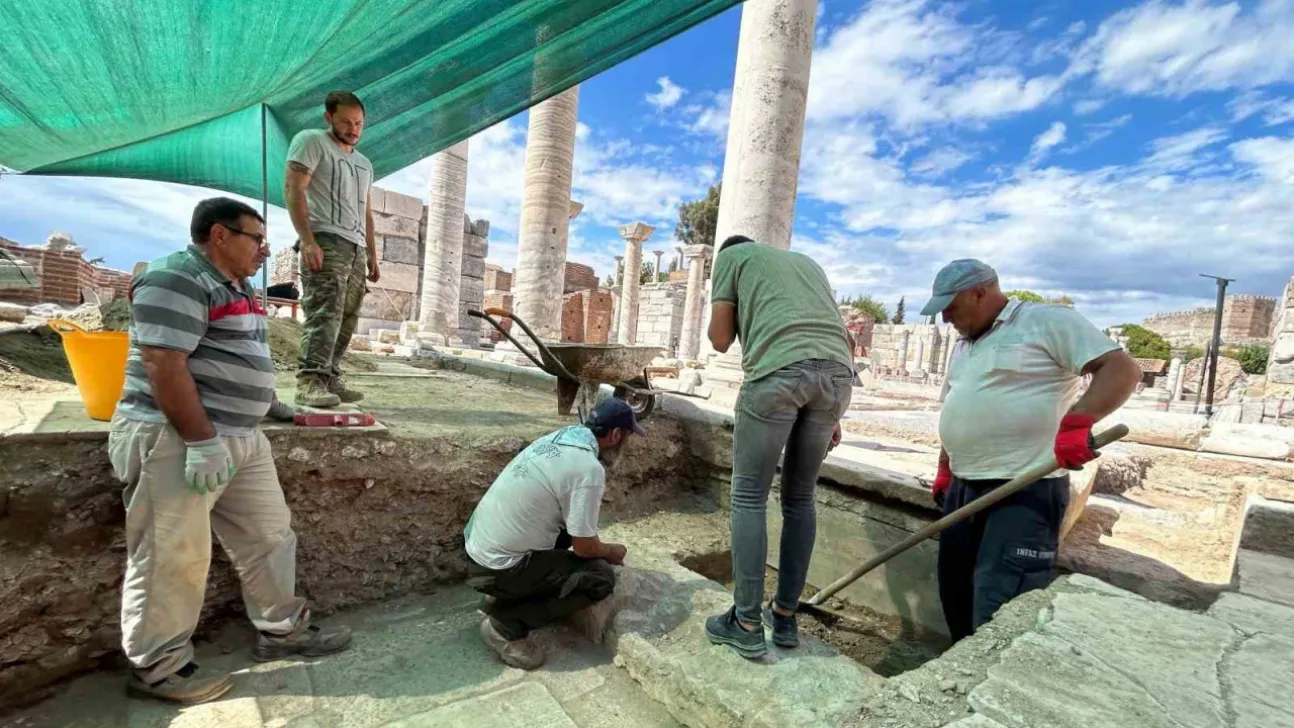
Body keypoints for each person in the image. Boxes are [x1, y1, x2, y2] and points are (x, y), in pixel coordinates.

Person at [109, 198, 352, 704]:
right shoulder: (177, 278)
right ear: (220, 235)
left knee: (269, 534)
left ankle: (282, 629)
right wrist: (200, 441)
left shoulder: (239, 286)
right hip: (177, 438)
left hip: (241, 437)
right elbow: (163, 365)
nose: (265, 250)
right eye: (256, 239)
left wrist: (273, 407)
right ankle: (160, 667)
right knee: (171, 553)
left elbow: (238, 357)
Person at [922, 259, 1140, 641]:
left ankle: (989, 686)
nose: (945, 318)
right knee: (955, 590)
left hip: (1022, 489)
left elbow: (1121, 370)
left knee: (1000, 600)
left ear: (980, 293)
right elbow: (956, 406)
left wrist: (1078, 422)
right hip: (963, 487)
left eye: (951, 307)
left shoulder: (1047, 322)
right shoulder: (963, 345)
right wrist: (945, 466)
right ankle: (953, 682)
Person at [703, 235, 855, 659]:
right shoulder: (807, 264)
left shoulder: (732, 256)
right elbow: (842, 339)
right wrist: (830, 410)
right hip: (838, 378)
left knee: (749, 494)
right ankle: (784, 617)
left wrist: (724, 300)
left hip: (779, 375)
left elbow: (719, 339)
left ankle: (747, 622)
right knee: (800, 497)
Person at [463, 397, 645, 669]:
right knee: (598, 576)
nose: (625, 446)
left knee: (565, 532)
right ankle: (506, 626)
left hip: (475, 552)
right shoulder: (588, 468)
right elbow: (584, 547)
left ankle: (501, 594)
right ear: (616, 435)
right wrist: (610, 550)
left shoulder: (558, 438)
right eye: (627, 438)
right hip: (496, 568)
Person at [284, 90, 378, 409]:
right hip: (325, 238)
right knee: (325, 310)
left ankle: (330, 375)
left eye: (359, 123)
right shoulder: (311, 142)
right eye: (346, 122)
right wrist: (307, 239)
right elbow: (293, 187)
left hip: (355, 246)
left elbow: (365, 211)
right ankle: (309, 380)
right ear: (328, 118)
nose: (353, 129)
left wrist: (372, 254)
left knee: (348, 314)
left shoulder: (364, 164)